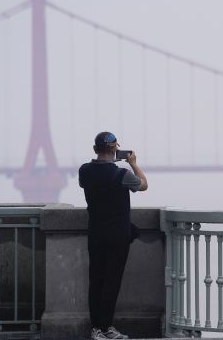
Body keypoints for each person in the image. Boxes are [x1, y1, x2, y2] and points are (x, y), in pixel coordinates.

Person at [78, 131, 148, 340]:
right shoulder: (122, 174)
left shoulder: (84, 171)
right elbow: (143, 185)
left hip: (96, 233)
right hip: (117, 235)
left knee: (96, 280)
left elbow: (85, 185)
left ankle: (96, 329)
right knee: (112, 281)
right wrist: (134, 163)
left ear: (95, 149)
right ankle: (106, 327)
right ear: (114, 149)